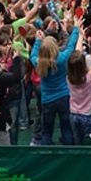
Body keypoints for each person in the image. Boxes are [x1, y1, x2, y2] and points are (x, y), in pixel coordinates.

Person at [30, 15, 81, 145]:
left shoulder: (38, 62)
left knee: (47, 131)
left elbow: (33, 55)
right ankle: (69, 152)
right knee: (66, 127)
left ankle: (47, 154)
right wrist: (75, 28)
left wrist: (38, 41)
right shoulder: (62, 59)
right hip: (63, 96)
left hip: (47, 99)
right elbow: (70, 46)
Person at [67, 25, 91, 145]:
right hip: (89, 116)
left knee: (79, 142)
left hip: (74, 115)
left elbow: (76, 55)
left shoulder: (69, 77)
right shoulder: (89, 76)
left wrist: (81, 36)